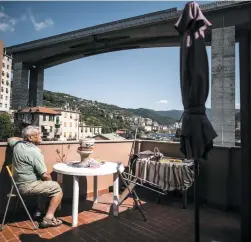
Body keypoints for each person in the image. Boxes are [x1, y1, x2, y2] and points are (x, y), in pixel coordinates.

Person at [7, 125, 63, 228]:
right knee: (56, 188)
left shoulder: (17, 145)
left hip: (15, 185)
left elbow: (10, 139)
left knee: (45, 184)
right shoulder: (34, 152)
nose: (40, 136)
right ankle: (48, 219)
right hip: (26, 186)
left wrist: (23, 139)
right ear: (30, 138)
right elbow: (45, 175)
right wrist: (51, 182)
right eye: (37, 135)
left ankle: (40, 211)